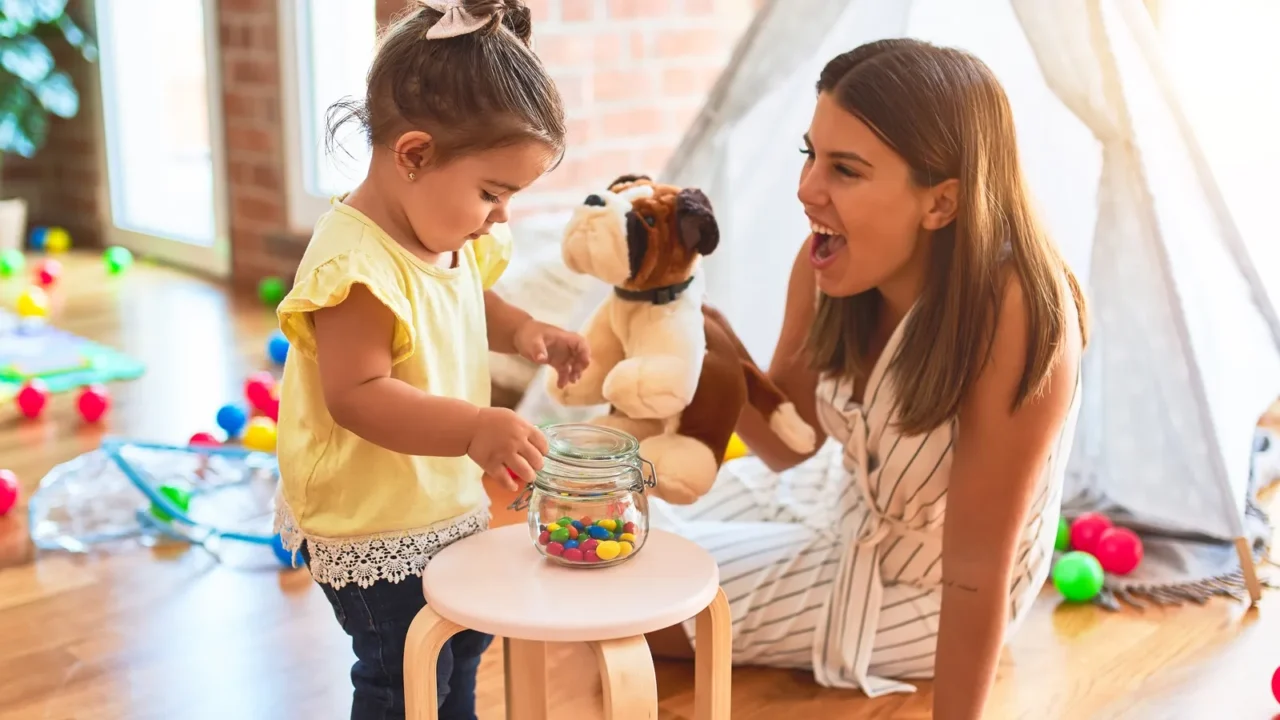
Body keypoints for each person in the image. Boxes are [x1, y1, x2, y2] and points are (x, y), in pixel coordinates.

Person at [645, 38, 1087, 719]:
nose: (806, 190)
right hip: (838, 492)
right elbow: (792, 445)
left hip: (927, 585)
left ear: (941, 203)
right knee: (614, 534)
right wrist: (708, 348)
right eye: (809, 155)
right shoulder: (829, 261)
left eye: (845, 170)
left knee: (639, 602)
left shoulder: (1016, 312)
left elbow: (973, 576)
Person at [271, 2, 590, 718]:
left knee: (464, 642)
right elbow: (358, 393)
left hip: (441, 501)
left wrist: (527, 332)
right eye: (492, 192)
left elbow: (473, 299)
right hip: (374, 515)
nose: (502, 215)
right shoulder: (354, 267)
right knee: (402, 669)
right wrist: (477, 428)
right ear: (413, 155)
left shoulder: (452, 234)